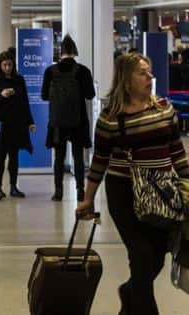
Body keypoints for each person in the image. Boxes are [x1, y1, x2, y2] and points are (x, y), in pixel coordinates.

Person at [77, 53, 189, 315]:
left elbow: (177, 153)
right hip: (124, 193)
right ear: (126, 80)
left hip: (163, 192)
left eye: (149, 72)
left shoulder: (164, 109)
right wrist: (87, 199)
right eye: (142, 72)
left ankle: (129, 294)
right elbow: (99, 162)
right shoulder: (110, 118)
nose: (149, 77)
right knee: (140, 256)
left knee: (157, 257)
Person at [41, 35, 95, 202]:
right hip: (77, 120)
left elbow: (44, 96)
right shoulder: (83, 71)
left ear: (60, 52)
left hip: (57, 121)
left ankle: (58, 191)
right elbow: (90, 95)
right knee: (78, 157)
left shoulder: (50, 71)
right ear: (74, 52)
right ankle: (80, 191)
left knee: (59, 157)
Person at [0, 50, 36, 201]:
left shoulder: (19, 79)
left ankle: (14, 186)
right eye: (5, 65)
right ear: (0, 65)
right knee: (0, 157)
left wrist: (30, 122)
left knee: (14, 158)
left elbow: (25, 102)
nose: (7, 68)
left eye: (10, 65)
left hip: (17, 123)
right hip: (0, 124)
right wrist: (1, 95)